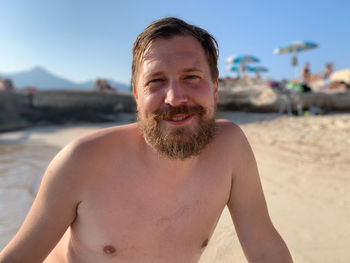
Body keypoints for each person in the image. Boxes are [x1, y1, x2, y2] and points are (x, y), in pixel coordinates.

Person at [0, 17, 293, 263]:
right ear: (137, 96)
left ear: (215, 88)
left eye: (191, 77)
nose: (175, 97)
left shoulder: (230, 148)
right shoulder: (82, 160)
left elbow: (265, 248)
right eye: (156, 81)